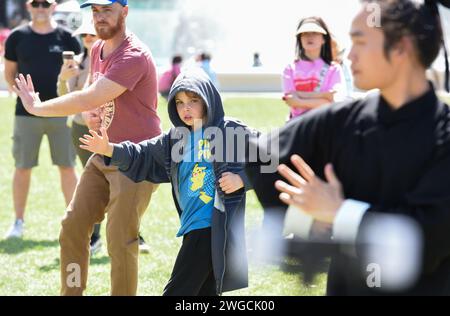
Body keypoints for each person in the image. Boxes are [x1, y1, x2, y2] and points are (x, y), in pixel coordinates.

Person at [247, 0, 450, 295]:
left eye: (360, 41)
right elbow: (262, 157)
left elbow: (424, 241)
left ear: (401, 47)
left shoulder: (444, 136)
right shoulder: (338, 122)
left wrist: (340, 213)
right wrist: (310, 218)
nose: (348, 55)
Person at [12, 0, 162, 296]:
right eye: (94, 11)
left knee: (120, 240)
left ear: (125, 11)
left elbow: (90, 96)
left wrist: (39, 107)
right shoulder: (96, 49)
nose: (99, 17)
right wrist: (89, 115)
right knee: (72, 226)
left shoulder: (133, 54)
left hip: (137, 159)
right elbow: (91, 100)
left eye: (107, 10)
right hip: (104, 150)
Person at [79, 68, 253, 296]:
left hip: (213, 226)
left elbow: (273, 157)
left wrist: (242, 179)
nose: (186, 108)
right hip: (192, 225)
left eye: (193, 100)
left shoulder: (229, 130)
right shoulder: (175, 139)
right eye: (179, 102)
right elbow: (142, 154)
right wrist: (109, 149)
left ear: (208, 98)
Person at [56, 18, 151, 256]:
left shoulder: (113, 59)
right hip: (81, 128)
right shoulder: (78, 62)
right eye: (84, 36)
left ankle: (129, 233)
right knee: (95, 188)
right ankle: (96, 236)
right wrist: (62, 79)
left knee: (119, 186)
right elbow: (65, 96)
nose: (88, 39)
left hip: (108, 130)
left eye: (91, 35)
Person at [3, 0, 81, 239]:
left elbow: (78, 72)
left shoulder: (68, 37)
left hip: (61, 112)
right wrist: (27, 99)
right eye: (35, 3)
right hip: (26, 115)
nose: (40, 7)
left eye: (45, 3)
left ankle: (75, 220)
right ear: (28, 6)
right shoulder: (17, 37)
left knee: (67, 167)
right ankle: (18, 222)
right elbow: (9, 75)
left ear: (53, 7)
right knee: (22, 167)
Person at [282, 17, 344, 120]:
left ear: (323, 39)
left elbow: (333, 100)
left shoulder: (334, 69)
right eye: (305, 33)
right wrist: (323, 97)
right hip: (297, 126)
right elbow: (290, 100)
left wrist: (300, 97)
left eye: (315, 33)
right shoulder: (290, 69)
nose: (309, 37)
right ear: (300, 39)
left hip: (324, 125)